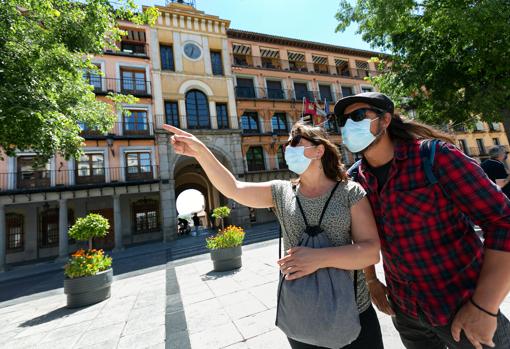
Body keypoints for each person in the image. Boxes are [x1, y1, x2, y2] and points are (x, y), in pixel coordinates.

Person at [163, 122, 383, 348]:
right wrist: (201, 151)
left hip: (353, 311)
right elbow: (234, 188)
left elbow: (370, 252)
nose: (289, 147)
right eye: (287, 144)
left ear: (320, 150)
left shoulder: (350, 191)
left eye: (296, 141)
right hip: (301, 315)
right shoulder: (281, 191)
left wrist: (318, 259)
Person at [334, 92, 510, 349]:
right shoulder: (355, 179)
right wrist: (371, 280)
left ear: (385, 121)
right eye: (344, 120)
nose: (350, 125)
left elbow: (502, 221)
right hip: (405, 311)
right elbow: (361, 237)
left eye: (359, 116)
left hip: (463, 306)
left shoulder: (435, 157)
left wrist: (485, 305)